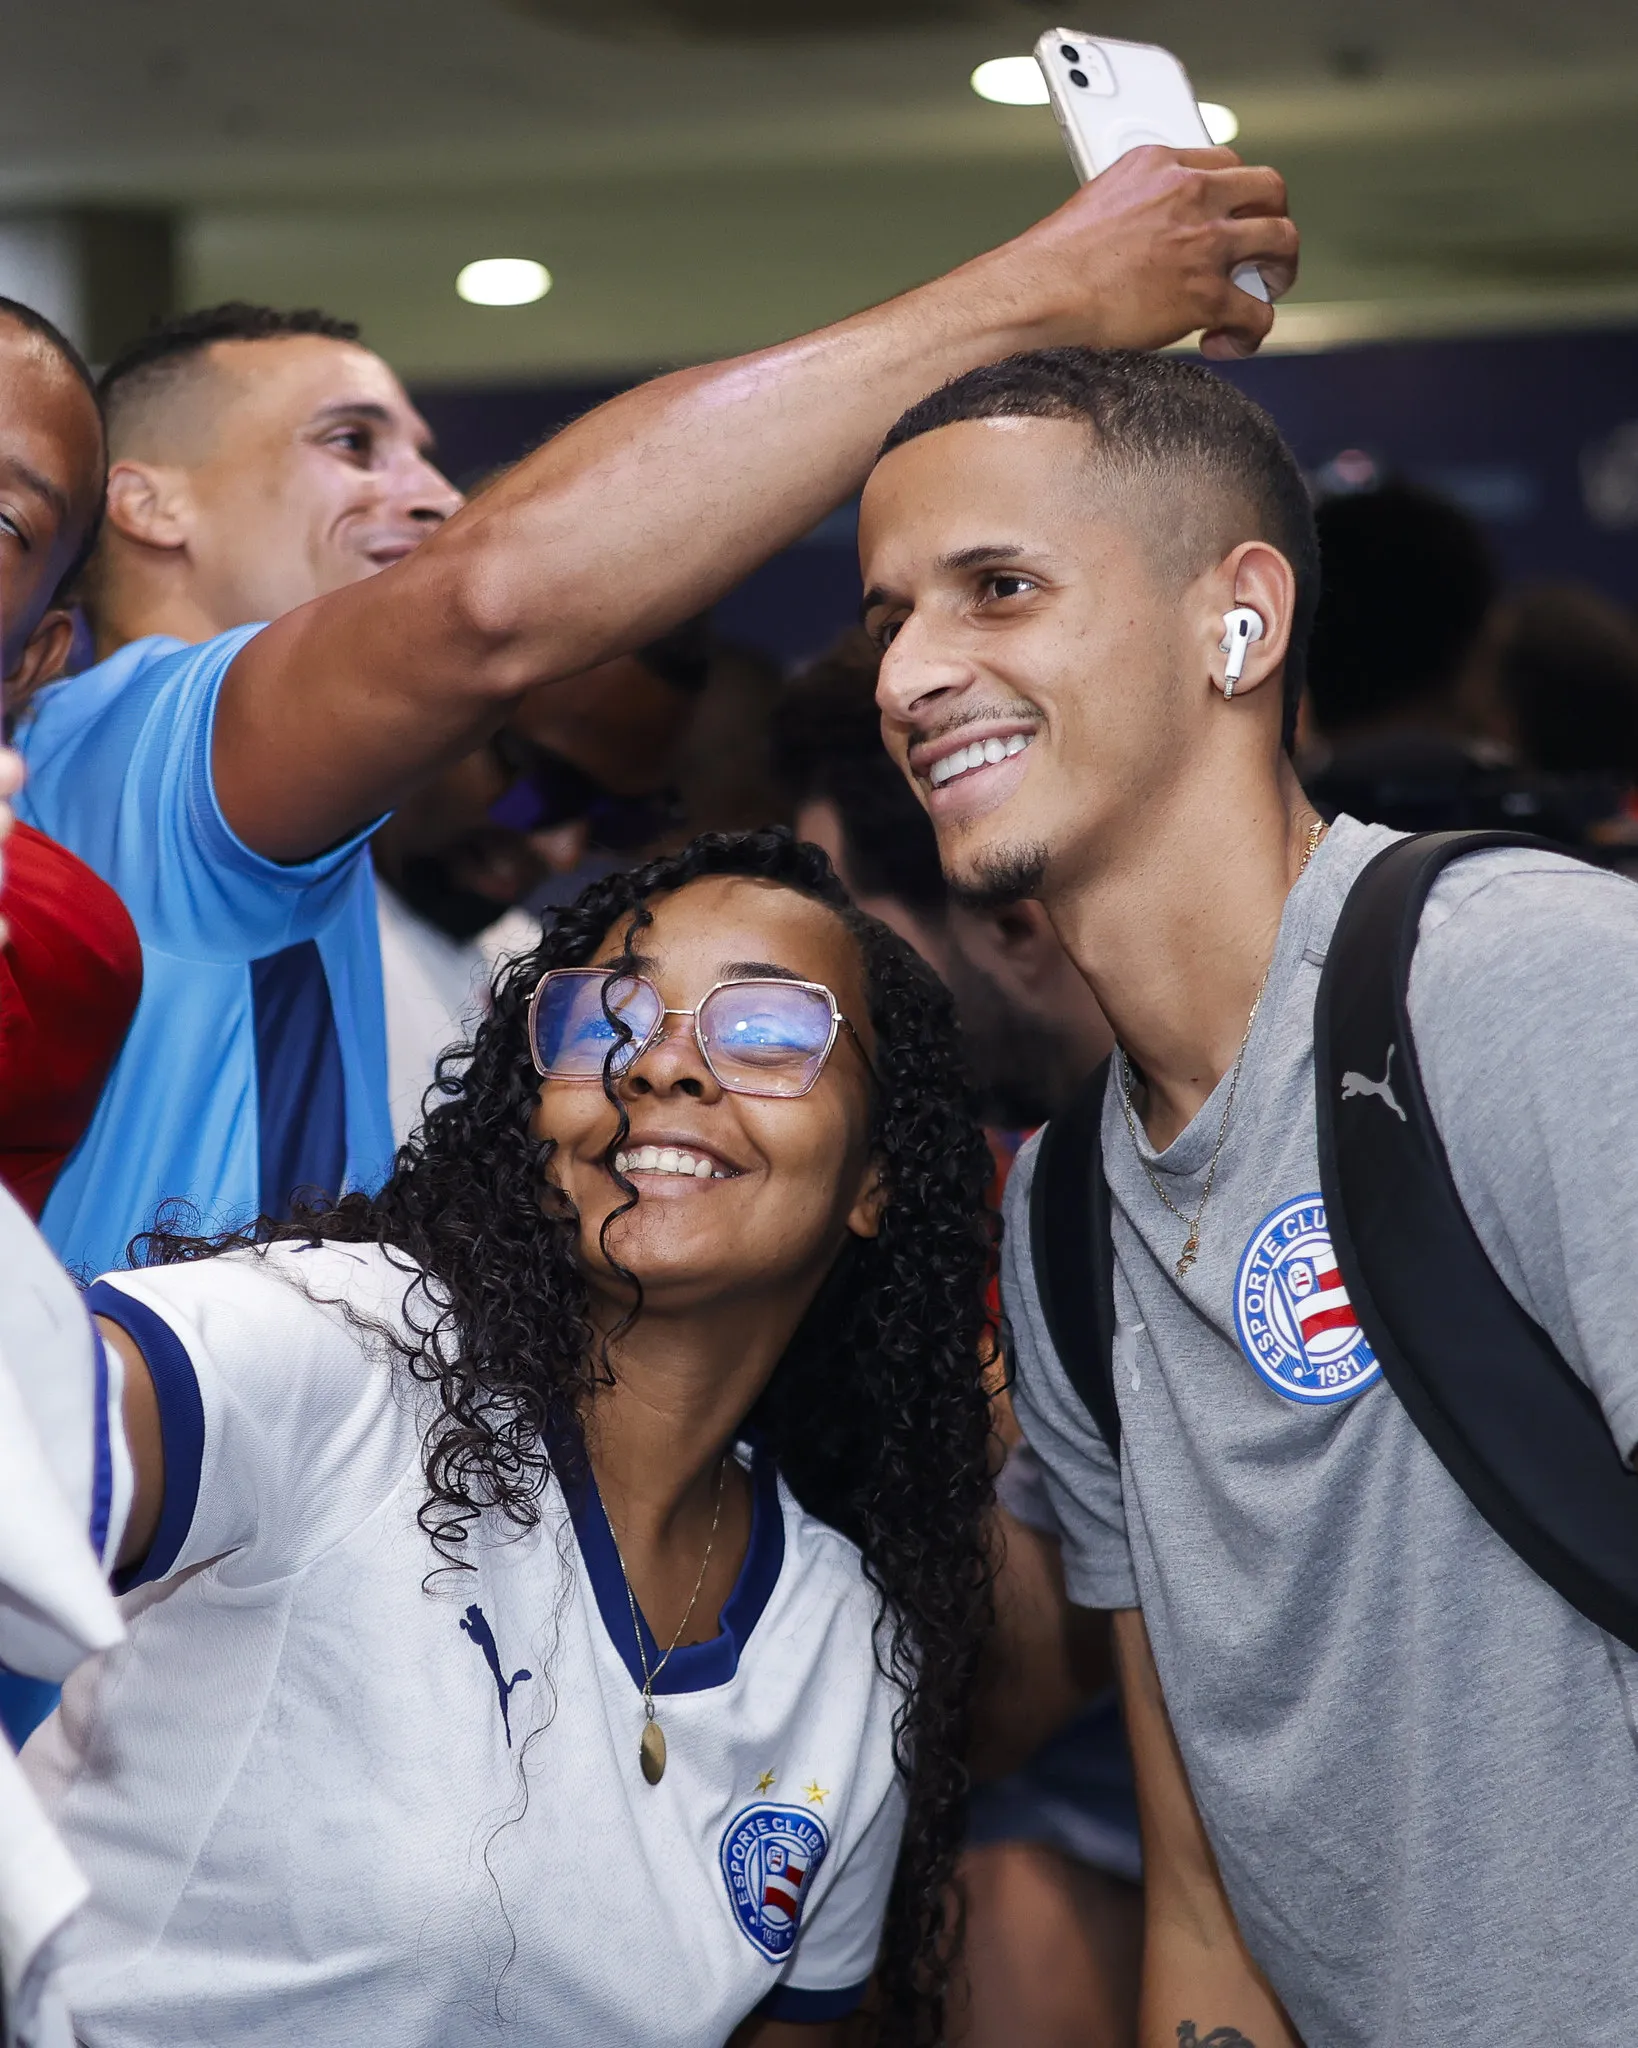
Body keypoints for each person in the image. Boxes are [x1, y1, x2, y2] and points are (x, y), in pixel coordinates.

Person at [13, 147, 1297, 1278]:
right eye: (353, 445)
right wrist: (1052, 282)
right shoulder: (135, 743)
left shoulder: (263, 815)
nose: (424, 497)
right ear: (147, 503)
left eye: (422, 452)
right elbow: (490, 603)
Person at [861, 345, 1638, 2043]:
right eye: (887, 620)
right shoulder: (1067, 1209)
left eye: (995, 589)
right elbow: (1208, 1895)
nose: (913, 673)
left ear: (1240, 621)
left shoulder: (1520, 983)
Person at [22, 829, 996, 2047]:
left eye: (765, 1028)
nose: (661, 1066)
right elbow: (50, 1425)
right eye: (604, 1019)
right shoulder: (353, 1349)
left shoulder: (844, 1648)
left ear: (875, 1179)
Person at [774, 637, 1137, 2047]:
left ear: (1000, 913)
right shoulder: (1036, 1185)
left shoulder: (1074, 1198)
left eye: (837, 914)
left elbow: (1007, 1728)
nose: (814, 989)